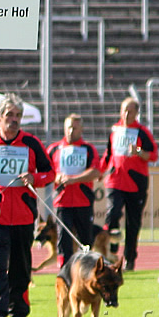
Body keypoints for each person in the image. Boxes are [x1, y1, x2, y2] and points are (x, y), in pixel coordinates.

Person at [0, 93, 55, 317]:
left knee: (21, 265)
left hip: (23, 213)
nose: (14, 119)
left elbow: (49, 173)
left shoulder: (31, 143)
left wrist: (34, 178)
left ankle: (18, 315)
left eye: (18, 115)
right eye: (9, 114)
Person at [100, 97, 158, 272]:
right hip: (115, 179)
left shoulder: (142, 132)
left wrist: (138, 151)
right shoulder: (115, 130)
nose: (126, 114)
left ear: (136, 113)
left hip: (136, 182)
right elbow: (108, 153)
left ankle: (130, 259)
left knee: (133, 223)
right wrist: (100, 170)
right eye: (124, 110)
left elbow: (153, 155)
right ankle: (111, 253)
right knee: (113, 214)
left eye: (130, 111)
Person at [47, 113, 101, 267]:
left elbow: (96, 171)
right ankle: (65, 270)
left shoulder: (88, 149)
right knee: (63, 238)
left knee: (85, 239)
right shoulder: (54, 149)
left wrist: (74, 179)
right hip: (62, 201)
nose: (71, 131)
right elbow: (45, 171)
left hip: (83, 201)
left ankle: (87, 268)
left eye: (75, 128)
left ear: (81, 129)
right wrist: (55, 176)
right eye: (69, 127)